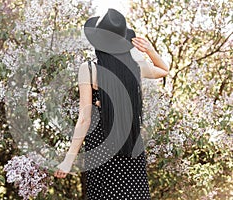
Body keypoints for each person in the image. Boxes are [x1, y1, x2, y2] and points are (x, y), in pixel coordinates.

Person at [54, 8, 169, 199]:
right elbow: (163, 69)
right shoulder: (135, 67)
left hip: (100, 146)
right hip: (130, 144)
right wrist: (149, 49)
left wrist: (68, 160)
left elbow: (84, 119)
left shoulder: (89, 69)